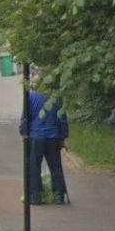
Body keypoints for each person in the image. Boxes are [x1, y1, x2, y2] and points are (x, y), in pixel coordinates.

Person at [19, 77, 70, 205]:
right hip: (53, 137)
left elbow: (25, 117)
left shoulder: (30, 98)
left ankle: (36, 195)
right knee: (55, 167)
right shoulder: (55, 99)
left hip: (36, 136)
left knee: (34, 167)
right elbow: (62, 118)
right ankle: (59, 195)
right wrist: (62, 138)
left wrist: (23, 133)